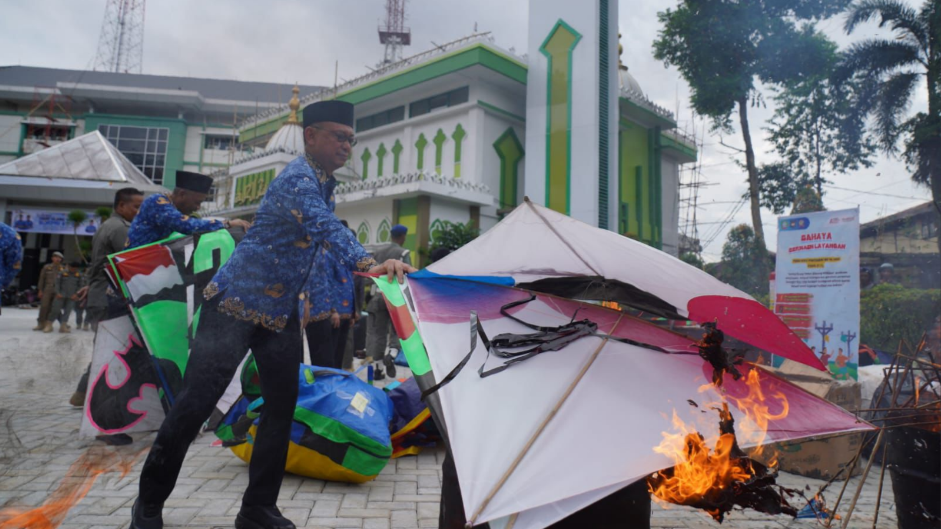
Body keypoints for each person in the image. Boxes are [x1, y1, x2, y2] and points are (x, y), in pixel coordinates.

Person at [131, 100, 415, 529]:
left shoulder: (325, 183)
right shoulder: (297, 180)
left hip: (280, 314)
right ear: (311, 136)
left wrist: (315, 304)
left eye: (351, 139)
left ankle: (257, 508)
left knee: (282, 409)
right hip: (235, 304)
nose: (347, 146)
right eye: (338, 136)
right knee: (194, 405)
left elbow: (310, 252)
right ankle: (148, 504)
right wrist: (368, 261)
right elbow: (325, 228)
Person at [69, 187, 144, 407]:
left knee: (108, 348)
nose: (139, 212)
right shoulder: (119, 228)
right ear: (121, 206)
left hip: (99, 294)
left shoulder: (109, 225)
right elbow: (131, 259)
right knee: (109, 349)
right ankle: (95, 401)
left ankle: (82, 395)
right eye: (136, 207)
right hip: (106, 297)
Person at [126, 171, 250, 248]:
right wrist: (227, 224)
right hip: (129, 276)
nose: (198, 207)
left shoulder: (170, 206)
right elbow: (187, 225)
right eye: (197, 202)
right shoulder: (157, 202)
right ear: (182, 194)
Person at [366, 224, 412, 375]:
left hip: (378, 295)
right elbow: (407, 276)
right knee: (396, 331)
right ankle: (391, 355)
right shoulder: (403, 253)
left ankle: (378, 369)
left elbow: (369, 274)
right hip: (395, 298)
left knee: (378, 332)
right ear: (402, 237)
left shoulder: (378, 253)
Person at [46, 261, 85, 333]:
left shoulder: (79, 275)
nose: (73, 270)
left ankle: (63, 326)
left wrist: (76, 294)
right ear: (68, 266)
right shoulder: (62, 273)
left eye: (75, 268)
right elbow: (57, 283)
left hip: (71, 297)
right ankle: (49, 325)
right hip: (60, 295)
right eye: (72, 268)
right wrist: (57, 292)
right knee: (55, 310)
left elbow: (81, 286)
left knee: (67, 312)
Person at [33, 251, 64, 331]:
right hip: (47, 288)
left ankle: (50, 324)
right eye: (56, 257)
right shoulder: (47, 267)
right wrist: (40, 290)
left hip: (58, 290)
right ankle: (41, 323)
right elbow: (42, 279)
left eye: (59, 258)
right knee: (44, 306)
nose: (58, 259)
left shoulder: (63, 269)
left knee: (55, 307)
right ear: (52, 258)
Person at [0, 222, 24, 314]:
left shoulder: (7, 233)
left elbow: (14, 264)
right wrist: (3, 283)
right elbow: (14, 265)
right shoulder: (9, 233)